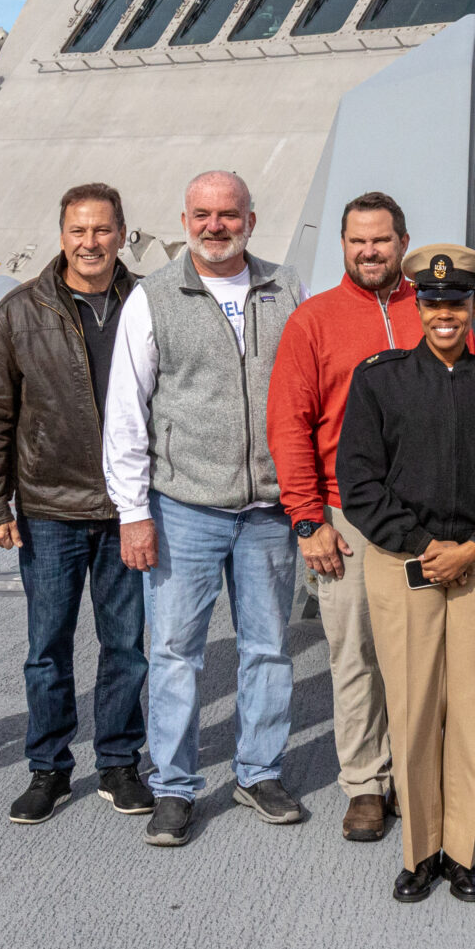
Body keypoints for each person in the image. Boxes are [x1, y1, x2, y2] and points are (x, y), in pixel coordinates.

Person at [102, 170, 307, 847]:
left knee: (270, 648)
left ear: (251, 216)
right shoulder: (152, 299)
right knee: (174, 651)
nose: (214, 225)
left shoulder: (286, 289)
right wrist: (133, 510)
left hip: (270, 508)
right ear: (184, 218)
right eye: (202, 214)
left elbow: (307, 398)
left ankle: (258, 771)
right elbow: (127, 412)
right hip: (183, 504)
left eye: (228, 213)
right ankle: (174, 787)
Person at [336, 244, 475, 904]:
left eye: (456, 301)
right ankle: (420, 851)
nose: (444, 312)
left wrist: (474, 544)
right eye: (432, 301)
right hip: (406, 567)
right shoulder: (380, 380)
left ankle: (463, 852)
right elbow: (358, 482)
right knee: (415, 708)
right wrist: (426, 545)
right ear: (416, 305)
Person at [0, 183, 150, 826]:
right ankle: (48, 769)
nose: (90, 242)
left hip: (128, 508)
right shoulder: (21, 311)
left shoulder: (146, 300)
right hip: (48, 508)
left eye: (102, 230)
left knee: (125, 645)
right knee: (47, 647)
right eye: (79, 230)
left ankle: (120, 762)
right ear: (62, 234)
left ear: (121, 233)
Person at [264, 190, 431, 843]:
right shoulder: (315, 321)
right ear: (343, 245)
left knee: (420, 652)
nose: (370, 251)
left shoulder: (436, 308)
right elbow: (289, 424)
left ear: (402, 241)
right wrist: (309, 520)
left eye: (382, 240)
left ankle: (415, 774)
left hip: (425, 514)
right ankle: (366, 783)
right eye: (358, 240)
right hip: (348, 515)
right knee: (355, 651)